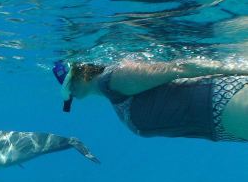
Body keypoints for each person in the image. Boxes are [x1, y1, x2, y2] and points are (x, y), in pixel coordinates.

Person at [52, 59, 248, 141]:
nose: (70, 93)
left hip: (219, 100)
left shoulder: (112, 79)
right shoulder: (111, 91)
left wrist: (242, 68)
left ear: (80, 74)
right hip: (219, 119)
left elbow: (181, 68)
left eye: (69, 84)